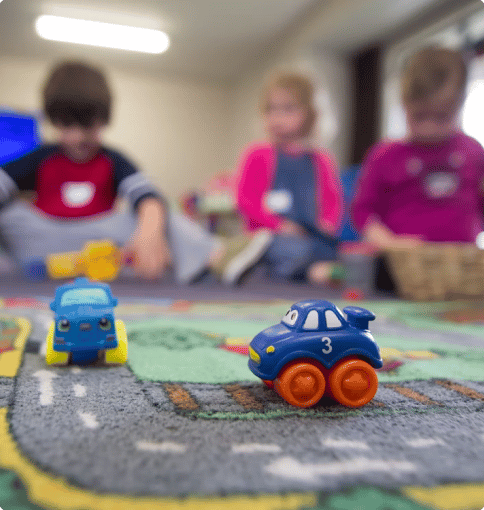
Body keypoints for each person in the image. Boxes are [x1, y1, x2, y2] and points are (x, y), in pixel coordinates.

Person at [0, 61, 271, 284]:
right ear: (53, 120)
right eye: (67, 125)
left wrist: (149, 232)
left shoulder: (112, 159)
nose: (78, 137)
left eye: (88, 126)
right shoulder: (41, 157)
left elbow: (148, 196)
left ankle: (217, 257)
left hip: (99, 242)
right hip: (43, 241)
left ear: (104, 119)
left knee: (157, 214)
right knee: (11, 214)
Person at [352, 46, 483, 252]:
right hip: (400, 268)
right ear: (404, 105)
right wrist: (389, 244)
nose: (429, 128)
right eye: (419, 116)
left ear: (460, 106)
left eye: (441, 117)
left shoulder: (473, 151)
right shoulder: (384, 155)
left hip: (461, 267)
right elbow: (363, 212)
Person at [235, 72, 343, 284]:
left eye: (288, 109)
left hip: (309, 236)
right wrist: (280, 227)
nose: (277, 117)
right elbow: (247, 202)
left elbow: (332, 203)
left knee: (334, 250)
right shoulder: (257, 154)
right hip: (270, 237)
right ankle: (306, 271)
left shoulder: (321, 160)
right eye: (271, 109)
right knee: (286, 249)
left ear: (309, 115)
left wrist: (326, 225)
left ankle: (304, 269)